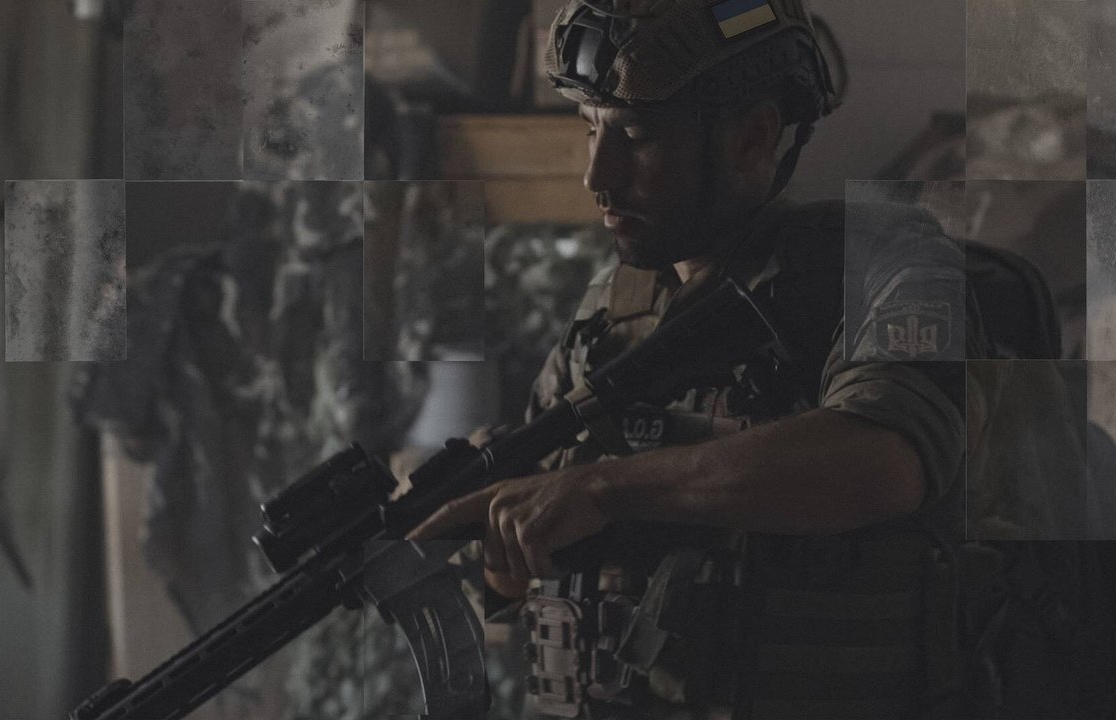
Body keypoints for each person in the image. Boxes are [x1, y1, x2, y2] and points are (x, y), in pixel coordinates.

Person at [410, 1, 978, 717]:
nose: (597, 176)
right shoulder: (609, 310)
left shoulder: (884, 266)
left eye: (636, 136)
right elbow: (525, 553)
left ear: (751, 138)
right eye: (589, 130)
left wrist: (605, 488)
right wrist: (502, 548)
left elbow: (883, 462)